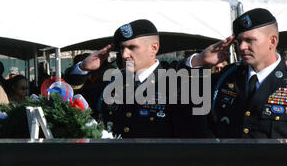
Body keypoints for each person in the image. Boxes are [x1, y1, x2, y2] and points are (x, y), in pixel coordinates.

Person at [186, 8, 287, 139]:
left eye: (249, 40)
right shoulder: (227, 77)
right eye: (239, 41)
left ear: (272, 41)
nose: (242, 47)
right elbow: (178, 97)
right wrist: (199, 61)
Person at [71, 19, 205, 138]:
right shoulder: (111, 83)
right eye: (122, 48)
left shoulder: (176, 86)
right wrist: (82, 69)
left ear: (154, 48)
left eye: (132, 47)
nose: (124, 55)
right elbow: (71, 104)